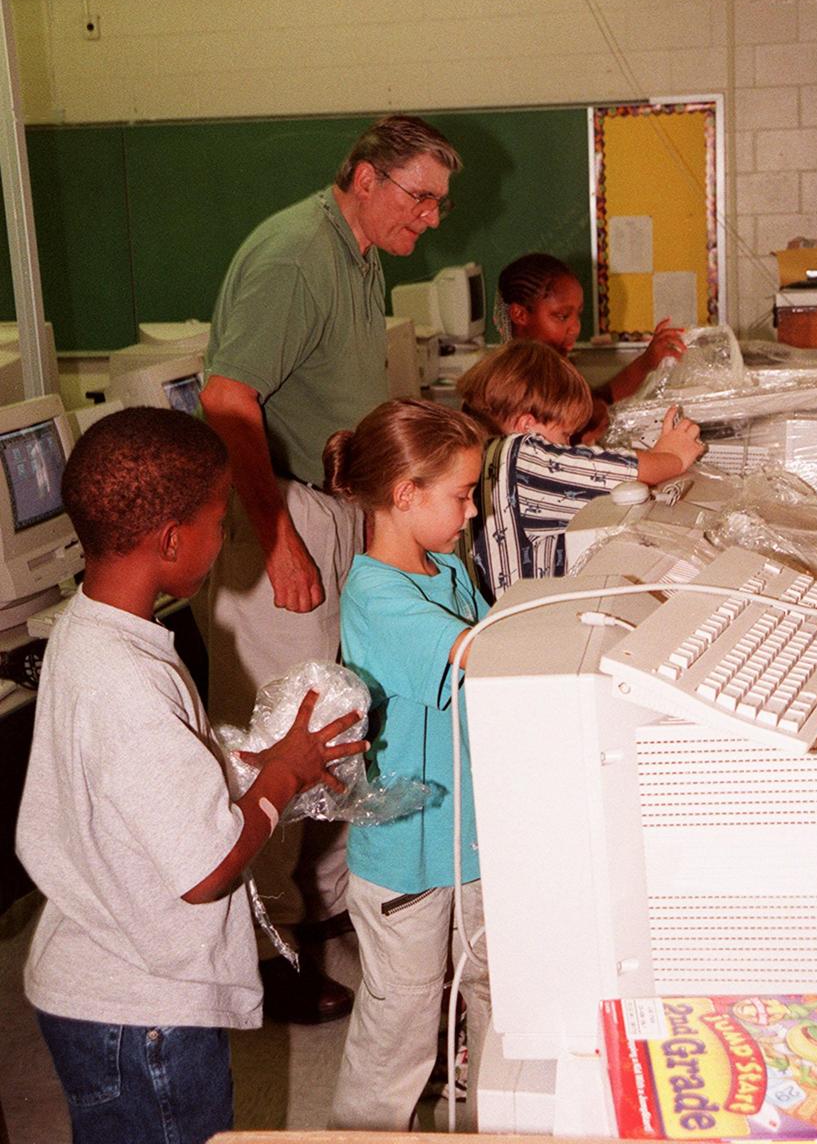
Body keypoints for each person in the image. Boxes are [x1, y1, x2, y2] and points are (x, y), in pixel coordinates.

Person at [15, 407, 367, 1144]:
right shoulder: (126, 679)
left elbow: (139, 781)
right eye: (220, 518)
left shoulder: (95, 631)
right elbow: (207, 871)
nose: (229, 532)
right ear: (172, 539)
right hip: (142, 1013)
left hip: (108, 978)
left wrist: (257, 763)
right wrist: (283, 780)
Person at [196, 114, 463, 1022]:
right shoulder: (295, 254)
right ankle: (262, 958)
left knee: (339, 723)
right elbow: (227, 398)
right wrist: (277, 540)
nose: (429, 219)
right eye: (418, 197)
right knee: (283, 733)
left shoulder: (356, 250)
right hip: (278, 510)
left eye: (437, 203)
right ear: (361, 175)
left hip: (328, 504)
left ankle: (311, 916)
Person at [322, 399, 491, 1132]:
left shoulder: (446, 567)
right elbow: (484, 651)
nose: (475, 509)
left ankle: (494, 1118)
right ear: (404, 495)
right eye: (461, 495)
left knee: (493, 991)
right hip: (407, 859)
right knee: (402, 1024)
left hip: (473, 837)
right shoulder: (379, 595)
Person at [456, 339, 704, 602]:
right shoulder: (521, 458)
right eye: (565, 435)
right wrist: (672, 456)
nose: (569, 447)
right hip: (527, 625)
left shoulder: (481, 454)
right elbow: (626, 473)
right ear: (526, 426)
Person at [496, 251, 687, 440]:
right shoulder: (514, 383)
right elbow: (594, 411)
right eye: (562, 316)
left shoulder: (554, 367)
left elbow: (598, 402)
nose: (575, 327)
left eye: (578, 314)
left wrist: (648, 361)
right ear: (520, 315)